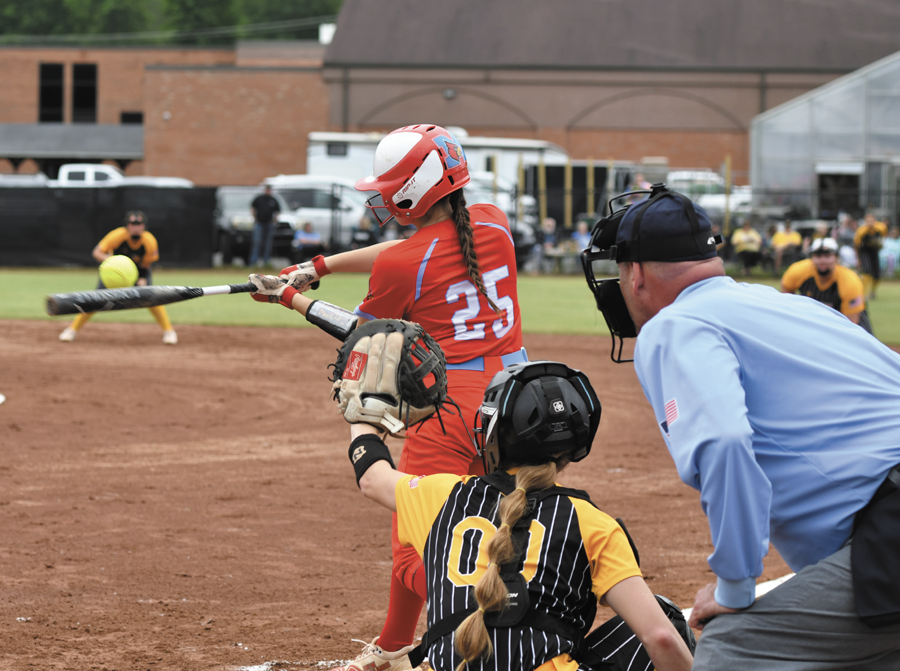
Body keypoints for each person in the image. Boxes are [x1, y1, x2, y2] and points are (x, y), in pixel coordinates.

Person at [581, 183, 900, 670]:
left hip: (889, 530)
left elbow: (725, 442)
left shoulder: (673, 324)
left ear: (636, 273)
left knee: (734, 643)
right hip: (882, 530)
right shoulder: (787, 305)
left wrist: (734, 587)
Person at [249, 124, 527, 671]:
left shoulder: (406, 264)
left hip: (450, 408)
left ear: (412, 191)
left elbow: (364, 336)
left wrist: (288, 299)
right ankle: (413, 638)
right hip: (515, 400)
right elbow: (411, 247)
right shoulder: (493, 221)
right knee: (501, 524)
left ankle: (452, 625)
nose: (382, 195)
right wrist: (319, 267)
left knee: (414, 537)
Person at [340, 355, 694, 671]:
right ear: (575, 446)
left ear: (492, 432)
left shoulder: (443, 495)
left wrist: (360, 409)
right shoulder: (591, 522)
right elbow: (659, 639)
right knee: (667, 619)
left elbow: (372, 477)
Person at [59, 211, 177, 345]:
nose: (136, 227)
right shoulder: (117, 236)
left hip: (138, 271)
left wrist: (142, 278)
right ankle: (71, 330)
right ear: (127, 225)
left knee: (153, 300)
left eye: (139, 224)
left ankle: (169, 331)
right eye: (133, 224)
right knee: (95, 300)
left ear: (144, 226)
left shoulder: (149, 241)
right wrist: (111, 261)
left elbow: (146, 263)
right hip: (114, 273)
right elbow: (97, 252)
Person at [781, 237, 873, 334]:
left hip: (847, 322)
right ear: (812, 257)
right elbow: (786, 287)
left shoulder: (850, 281)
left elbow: (851, 324)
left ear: (836, 258)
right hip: (813, 321)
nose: (822, 260)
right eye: (818, 256)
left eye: (827, 256)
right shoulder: (798, 271)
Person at [855, 211, 889, 298]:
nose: (870, 222)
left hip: (874, 251)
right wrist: (858, 259)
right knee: (867, 271)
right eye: (868, 220)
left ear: (875, 220)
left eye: (871, 220)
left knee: (877, 274)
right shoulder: (861, 230)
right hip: (864, 251)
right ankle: (864, 293)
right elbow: (857, 244)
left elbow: (884, 235)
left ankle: (873, 291)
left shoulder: (880, 227)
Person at [249, 186, 281, 267]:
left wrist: (274, 220)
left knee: (267, 244)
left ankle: (266, 263)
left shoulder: (273, 200)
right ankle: (253, 262)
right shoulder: (259, 199)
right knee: (257, 242)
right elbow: (252, 207)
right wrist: (255, 218)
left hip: (269, 224)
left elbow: (278, 211)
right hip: (259, 223)